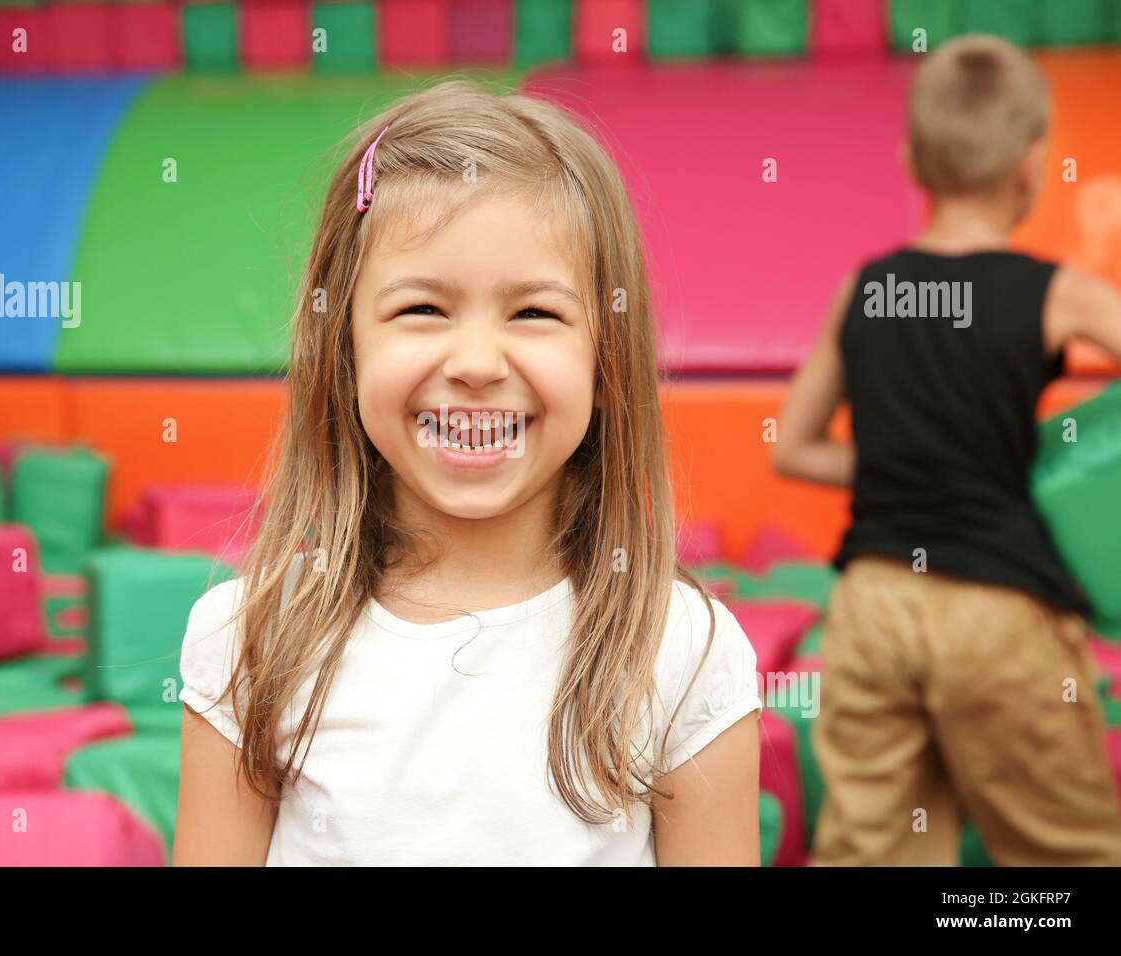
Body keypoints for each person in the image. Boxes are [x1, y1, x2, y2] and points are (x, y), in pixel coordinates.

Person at [173, 79, 762, 866]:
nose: (478, 363)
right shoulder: (249, 640)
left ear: (604, 359)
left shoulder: (681, 652)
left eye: (534, 313)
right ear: (344, 350)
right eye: (422, 309)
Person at [775, 34, 1121, 865]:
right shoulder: (1056, 292)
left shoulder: (867, 289)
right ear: (1033, 166)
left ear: (910, 162)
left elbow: (792, 448)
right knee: (1065, 851)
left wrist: (907, 465)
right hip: (997, 604)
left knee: (872, 849)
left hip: (873, 602)